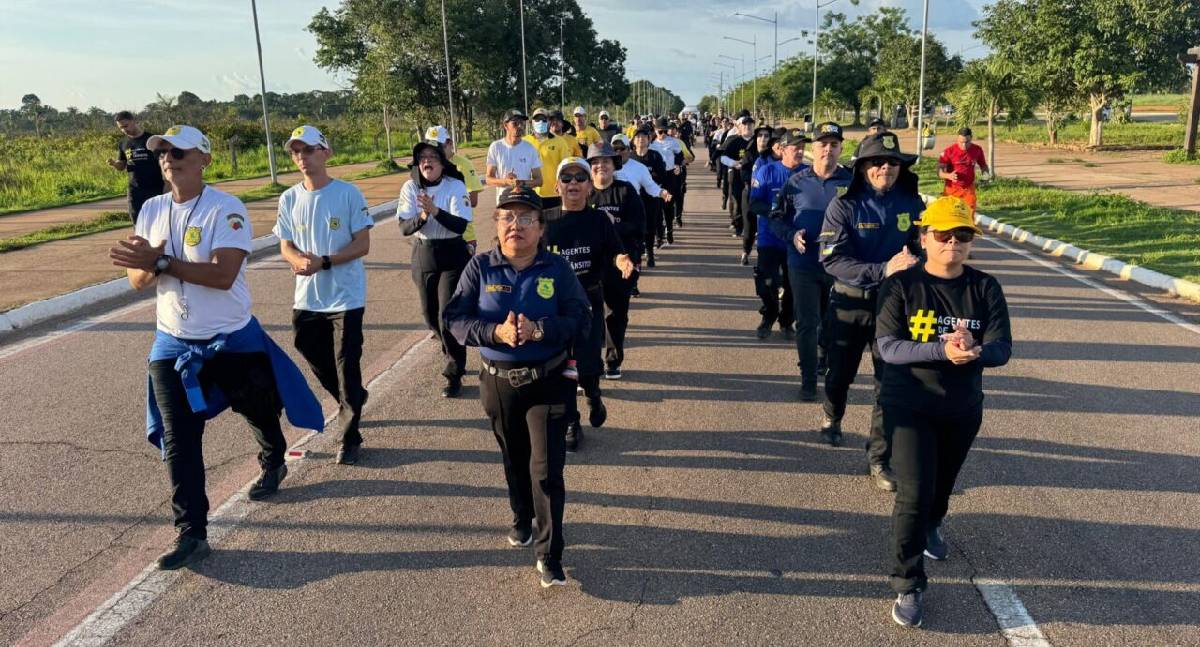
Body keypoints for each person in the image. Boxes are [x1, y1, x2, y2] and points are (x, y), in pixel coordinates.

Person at [108, 125, 322, 570]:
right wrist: (148, 265)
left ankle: (273, 457)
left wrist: (162, 261)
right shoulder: (151, 209)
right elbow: (137, 281)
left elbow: (223, 275)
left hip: (231, 340)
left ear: (204, 159)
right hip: (172, 343)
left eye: (178, 152)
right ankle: (192, 532)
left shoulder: (226, 209)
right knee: (180, 439)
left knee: (257, 410)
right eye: (162, 152)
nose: (168, 159)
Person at [443, 186, 591, 588]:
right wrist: (496, 333)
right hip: (498, 383)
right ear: (496, 224)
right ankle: (521, 516)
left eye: (526, 218)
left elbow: (581, 318)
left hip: (549, 381)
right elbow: (455, 319)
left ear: (541, 228)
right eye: (507, 217)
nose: (516, 225)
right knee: (514, 459)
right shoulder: (480, 267)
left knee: (546, 470)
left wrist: (540, 329)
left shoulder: (557, 269)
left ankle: (549, 554)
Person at [875, 196, 1012, 628]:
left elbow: (1002, 348)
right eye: (943, 234)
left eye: (962, 234)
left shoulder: (984, 287)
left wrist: (976, 350)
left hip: (961, 408)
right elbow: (889, 347)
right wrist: (942, 349)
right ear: (924, 238)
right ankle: (908, 582)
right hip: (909, 405)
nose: (953, 242)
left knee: (942, 485)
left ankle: (934, 522)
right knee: (913, 494)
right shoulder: (901, 285)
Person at [818, 131, 925, 488]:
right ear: (863, 167)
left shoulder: (912, 203)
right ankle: (832, 415)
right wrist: (883, 270)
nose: (885, 168)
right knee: (839, 375)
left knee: (889, 385)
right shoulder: (843, 205)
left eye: (893, 162)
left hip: (893, 308)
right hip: (849, 304)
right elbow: (831, 260)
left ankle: (879, 458)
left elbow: (921, 248)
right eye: (877, 162)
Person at [274, 125, 373, 465]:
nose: (301, 156)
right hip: (308, 297)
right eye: (295, 151)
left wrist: (325, 261)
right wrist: (296, 260)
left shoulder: (348, 193)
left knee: (347, 365)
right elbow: (285, 245)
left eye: (308, 149)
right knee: (310, 350)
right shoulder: (289, 198)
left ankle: (349, 437)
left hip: (346, 297)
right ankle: (352, 398)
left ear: (326, 152)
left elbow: (363, 244)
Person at [542, 157, 635, 451]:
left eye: (580, 178)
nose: (573, 183)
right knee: (560, 367)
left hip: (588, 302)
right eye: (566, 178)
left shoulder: (599, 220)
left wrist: (622, 260)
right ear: (557, 186)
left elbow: (616, 251)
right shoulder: (544, 220)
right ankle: (572, 421)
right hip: (553, 306)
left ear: (589, 187)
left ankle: (594, 395)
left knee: (587, 365)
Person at [770, 122, 854, 402]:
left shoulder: (851, 183)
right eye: (822, 144)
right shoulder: (796, 182)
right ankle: (808, 379)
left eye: (834, 145)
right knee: (807, 323)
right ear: (813, 148)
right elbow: (776, 218)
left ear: (841, 148)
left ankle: (823, 360)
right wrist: (792, 235)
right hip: (803, 264)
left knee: (832, 323)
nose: (828, 150)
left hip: (839, 266)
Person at [398, 139, 474, 397]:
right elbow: (404, 227)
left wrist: (435, 211)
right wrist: (422, 216)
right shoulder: (410, 187)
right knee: (430, 315)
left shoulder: (455, 185)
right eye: (422, 158)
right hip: (424, 253)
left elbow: (460, 225)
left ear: (442, 163)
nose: (427, 162)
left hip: (452, 253)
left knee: (446, 315)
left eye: (432, 157)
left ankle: (454, 371)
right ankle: (450, 348)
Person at [587, 142, 645, 379]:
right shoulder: (583, 192)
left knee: (616, 315)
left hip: (620, 264)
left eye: (606, 161)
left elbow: (639, 226)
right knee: (589, 316)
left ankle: (613, 361)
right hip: (588, 264)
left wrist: (612, 226)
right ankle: (589, 365)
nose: (601, 166)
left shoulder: (625, 191)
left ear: (614, 165)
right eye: (595, 162)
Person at [748, 127, 808, 340]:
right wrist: (773, 212)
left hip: (798, 240)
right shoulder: (767, 171)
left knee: (793, 285)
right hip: (770, 238)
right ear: (782, 149)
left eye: (802, 147)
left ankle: (787, 321)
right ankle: (769, 315)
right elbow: (754, 203)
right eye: (795, 147)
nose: (800, 151)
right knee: (767, 284)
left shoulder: (809, 173)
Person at [427, 125, 482, 253]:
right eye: (431, 149)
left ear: (450, 144)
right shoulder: (427, 167)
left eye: (439, 148)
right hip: (435, 237)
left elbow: (473, 201)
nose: (435, 153)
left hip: (463, 237)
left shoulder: (463, 165)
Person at [107, 111, 166, 223]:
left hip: (155, 187)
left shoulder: (152, 139)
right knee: (137, 219)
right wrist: (114, 164)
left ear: (134, 121)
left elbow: (164, 161)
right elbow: (122, 165)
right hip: (134, 189)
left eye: (126, 126)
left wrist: (168, 184)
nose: (124, 130)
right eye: (121, 128)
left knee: (157, 220)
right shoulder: (123, 143)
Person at [737, 124, 777, 265]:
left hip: (769, 198)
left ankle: (765, 256)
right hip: (750, 194)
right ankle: (746, 251)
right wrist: (756, 181)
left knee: (767, 227)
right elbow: (744, 173)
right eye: (760, 135)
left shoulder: (775, 156)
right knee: (749, 225)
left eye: (766, 136)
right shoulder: (750, 153)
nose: (763, 138)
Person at [629, 128, 669, 265]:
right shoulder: (629, 157)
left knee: (650, 225)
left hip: (651, 197)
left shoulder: (655, 156)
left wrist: (647, 178)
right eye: (638, 137)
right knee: (635, 225)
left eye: (644, 137)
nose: (641, 139)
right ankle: (638, 251)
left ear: (649, 139)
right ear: (633, 140)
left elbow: (662, 175)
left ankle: (650, 252)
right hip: (633, 198)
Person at [486, 109, 543, 204]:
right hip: (504, 203)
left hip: (525, 202)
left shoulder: (530, 148)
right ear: (505, 125)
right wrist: (506, 182)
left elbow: (539, 181)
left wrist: (521, 183)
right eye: (515, 123)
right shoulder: (496, 147)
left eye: (522, 123)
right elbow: (488, 179)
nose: (520, 126)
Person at [524, 108, 576, 210]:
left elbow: (566, 167)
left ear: (549, 122)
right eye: (537, 120)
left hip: (554, 194)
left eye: (544, 120)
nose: (540, 122)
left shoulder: (560, 142)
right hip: (530, 193)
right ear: (531, 122)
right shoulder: (524, 141)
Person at [650, 117, 686, 247]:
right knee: (657, 207)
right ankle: (659, 236)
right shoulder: (651, 144)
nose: (663, 134)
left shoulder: (673, 142)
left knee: (668, 205)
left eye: (665, 131)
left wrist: (677, 164)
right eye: (660, 131)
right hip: (656, 177)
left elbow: (680, 155)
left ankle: (669, 230)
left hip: (670, 176)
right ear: (655, 130)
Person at [937, 127, 990, 214]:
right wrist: (948, 176)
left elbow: (983, 165)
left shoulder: (977, 150)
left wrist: (986, 176)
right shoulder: (948, 152)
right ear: (957, 139)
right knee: (949, 214)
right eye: (961, 142)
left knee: (969, 213)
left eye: (967, 142)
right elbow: (939, 172)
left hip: (968, 189)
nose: (964, 145)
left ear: (971, 138)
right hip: (952, 189)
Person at [717, 113, 754, 237]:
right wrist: (734, 163)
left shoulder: (757, 141)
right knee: (737, 202)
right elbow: (723, 157)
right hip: (737, 176)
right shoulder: (734, 141)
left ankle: (752, 228)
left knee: (752, 202)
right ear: (740, 127)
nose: (747, 127)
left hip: (753, 177)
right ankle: (738, 227)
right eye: (745, 125)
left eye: (750, 125)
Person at [666, 121, 695, 229]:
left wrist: (682, 162)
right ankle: (667, 219)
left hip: (680, 174)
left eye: (673, 129)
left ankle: (678, 217)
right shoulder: (659, 143)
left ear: (676, 131)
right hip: (666, 174)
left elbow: (691, 157)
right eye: (669, 129)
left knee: (679, 196)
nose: (671, 131)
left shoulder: (680, 143)